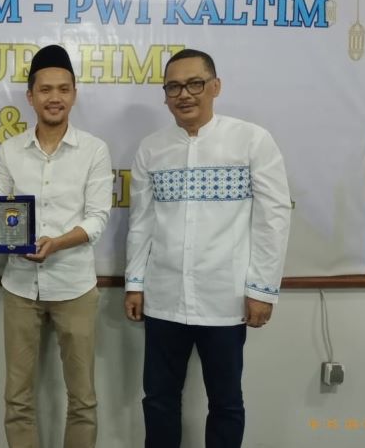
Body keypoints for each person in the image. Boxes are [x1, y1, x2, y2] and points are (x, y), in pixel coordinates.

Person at [124, 48, 292, 448]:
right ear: (165, 96)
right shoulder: (151, 148)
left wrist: (262, 290)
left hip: (225, 298)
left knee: (226, 403)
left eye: (195, 84)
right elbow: (141, 222)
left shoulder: (251, 140)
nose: (184, 94)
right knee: (159, 399)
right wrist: (135, 284)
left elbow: (273, 218)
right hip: (164, 298)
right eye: (174, 87)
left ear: (215, 86)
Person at [0, 44, 113, 448]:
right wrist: (6, 237)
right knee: (17, 398)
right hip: (19, 287)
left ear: (74, 94)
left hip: (74, 286)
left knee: (83, 398)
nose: (55, 97)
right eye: (45, 89)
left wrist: (58, 242)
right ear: (30, 96)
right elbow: (4, 213)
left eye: (63, 89)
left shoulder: (94, 150)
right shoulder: (10, 150)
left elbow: (98, 217)